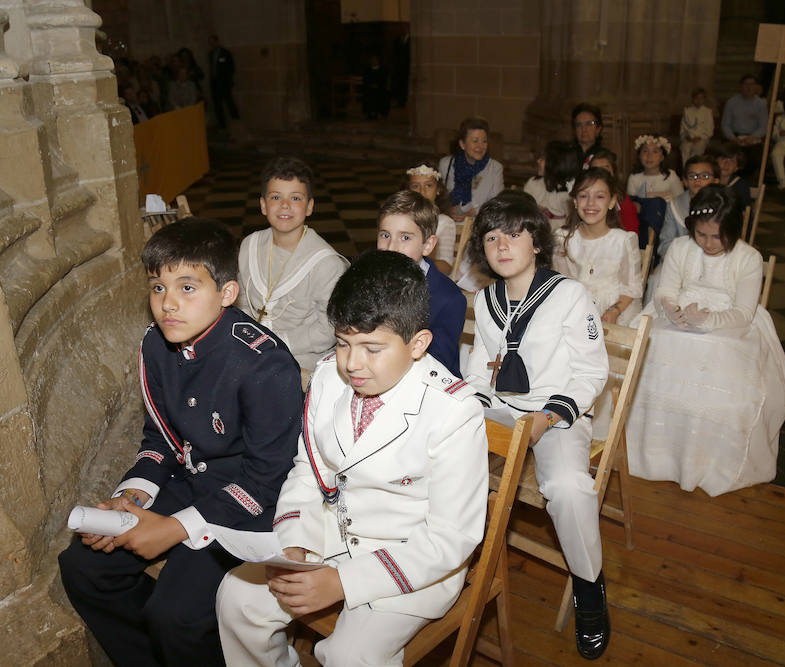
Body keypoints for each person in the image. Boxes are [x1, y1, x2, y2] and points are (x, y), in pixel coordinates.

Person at [216, 250, 489, 667]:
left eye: (371, 348)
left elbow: (450, 538)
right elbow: (309, 469)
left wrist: (343, 581)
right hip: (329, 536)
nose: (352, 363)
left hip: (410, 559)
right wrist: (296, 545)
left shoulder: (454, 410)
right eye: (343, 343)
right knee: (236, 598)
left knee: (351, 655)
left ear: (418, 344)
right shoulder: (329, 375)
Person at [58, 218, 303, 665]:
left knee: (175, 614)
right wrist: (131, 498)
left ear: (226, 294)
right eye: (157, 288)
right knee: (82, 567)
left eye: (187, 287)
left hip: (246, 505)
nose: (168, 303)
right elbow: (159, 439)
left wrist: (172, 528)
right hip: (190, 482)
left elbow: (267, 480)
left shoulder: (263, 365)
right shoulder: (156, 346)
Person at [464, 190, 611, 659]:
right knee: (436, 449)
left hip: (555, 413)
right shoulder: (485, 300)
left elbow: (591, 372)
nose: (502, 246)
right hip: (503, 408)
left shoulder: (570, 294)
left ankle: (590, 589)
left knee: (568, 487)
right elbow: (478, 370)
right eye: (491, 237)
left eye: (514, 234)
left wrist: (548, 417)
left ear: (537, 243)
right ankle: (444, 563)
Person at [626, 185, 785, 497]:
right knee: (656, 347)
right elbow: (665, 291)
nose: (709, 243)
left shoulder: (749, 257)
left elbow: (744, 312)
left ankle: (704, 459)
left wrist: (708, 321)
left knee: (718, 366)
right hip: (679, 317)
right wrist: (673, 311)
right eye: (702, 235)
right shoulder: (679, 247)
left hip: (729, 324)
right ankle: (657, 454)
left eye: (717, 237)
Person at [238, 157, 349, 370]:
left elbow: (327, 330)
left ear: (309, 207)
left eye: (296, 198)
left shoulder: (327, 264)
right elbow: (242, 305)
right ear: (263, 205)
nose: (285, 205)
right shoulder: (249, 246)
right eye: (276, 197)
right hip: (250, 351)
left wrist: (273, 343)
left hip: (301, 362)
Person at [375, 189, 466, 377]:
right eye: (385, 235)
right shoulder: (368, 281)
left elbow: (438, 364)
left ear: (428, 245)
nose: (391, 247)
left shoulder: (448, 298)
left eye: (405, 238)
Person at [554, 167, 642, 326]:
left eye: (599, 196)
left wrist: (614, 310)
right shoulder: (562, 239)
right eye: (583, 196)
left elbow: (631, 288)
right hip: (575, 310)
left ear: (612, 202)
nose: (590, 203)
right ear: (575, 201)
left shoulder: (624, 240)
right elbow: (561, 284)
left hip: (616, 310)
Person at [659, 154, 721, 262]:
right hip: (680, 261)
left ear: (716, 181)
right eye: (692, 176)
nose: (698, 180)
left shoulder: (723, 205)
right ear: (685, 181)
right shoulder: (674, 206)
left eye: (705, 176)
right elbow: (665, 243)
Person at [626, 134, 684, 249]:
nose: (649, 156)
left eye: (655, 152)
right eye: (645, 151)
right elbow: (631, 204)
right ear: (639, 155)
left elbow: (680, 200)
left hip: (667, 221)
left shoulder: (670, 176)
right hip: (643, 222)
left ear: (662, 156)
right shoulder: (634, 177)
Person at [439, 117, 504, 219]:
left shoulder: (495, 168)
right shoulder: (446, 164)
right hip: (449, 224)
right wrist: (447, 211)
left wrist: (472, 213)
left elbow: (497, 205)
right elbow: (439, 197)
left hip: (479, 224)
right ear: (462, 144)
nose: (480, 146)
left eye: (484, 141)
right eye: (475, 141)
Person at [404, 161, 456, 273]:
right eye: (415, 186)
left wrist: (415, 262)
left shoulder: (444, 222)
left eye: (428, 185)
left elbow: (446, 267)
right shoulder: (401, 219)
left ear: (438, 190)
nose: (422, 192)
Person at [523, 139, 580, 226]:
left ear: (556, 163)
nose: (538, 161)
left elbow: (572, 221)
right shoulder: (533, 183)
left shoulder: (570, 191)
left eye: (543, 159)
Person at [721, 74, 767, 177]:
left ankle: (747, 180)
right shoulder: (731, 102)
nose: (749, 87)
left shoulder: (761, 104)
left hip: (752, 137)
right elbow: (725, 125)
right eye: (746, 84)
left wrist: (752, 137)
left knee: (755, 156)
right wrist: (733, 138)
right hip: (735, 137)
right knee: (731, 154)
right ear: (741, 86)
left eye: (752, 84)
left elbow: (763, 126)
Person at [589, 150, 639, 235]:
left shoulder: (622, 200)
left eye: (606, 168)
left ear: (613, 172)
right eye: (596, 169)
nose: (602, 173)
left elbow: (632, 232)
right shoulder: (586, 199)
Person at [208, 35, 239, 129]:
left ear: (217, 41)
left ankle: (236, 121)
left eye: (213, 42)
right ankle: (222, 125)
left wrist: (228, 81)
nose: (212, 44)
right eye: (210, 42)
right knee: (217, 105)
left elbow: (231, 67)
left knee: (229, 102)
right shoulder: (210, 53)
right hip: (215, 83)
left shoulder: (225, 53)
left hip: (224, 83)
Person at [680, 88, 714, 165]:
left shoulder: (707, 112)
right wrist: (686, 136)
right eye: (696, 98)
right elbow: (683, 127)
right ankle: (686, 169)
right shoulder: (687, 111)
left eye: (701, 98)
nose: (698, 100)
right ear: (692, 99)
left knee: (697, 149)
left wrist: (700, 137)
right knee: (685, 148)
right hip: (689, 138)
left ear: (704, 99)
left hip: (701, 138)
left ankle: (694, 167)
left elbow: (709, 130)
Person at [716, 143, 752, 210]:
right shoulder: (708, 181)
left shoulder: (741, 185)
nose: (726, 164)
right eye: (723, 159)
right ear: (716, 161)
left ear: (737, 167)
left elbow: (746, 211)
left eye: (732, 161)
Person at [571, 103, 604, 168]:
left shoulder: (604, 157)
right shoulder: (567, 156)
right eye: (579, 124)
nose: (584, 129)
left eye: (589, 123)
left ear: (598, 129)